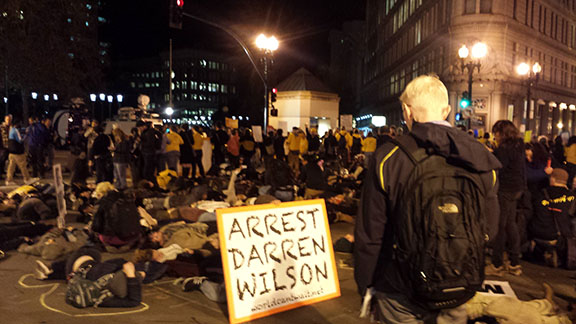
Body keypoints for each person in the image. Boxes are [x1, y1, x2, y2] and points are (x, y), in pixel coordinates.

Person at [354, 75, 501, 323]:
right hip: (458, 281)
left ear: (406, 111)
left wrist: (366, 285)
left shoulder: (389, 158)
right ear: (446, 111)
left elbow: (370, 235)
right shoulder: (482, 159)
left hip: (399, 286)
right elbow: (490, 229)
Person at [490, 120, 527, 276]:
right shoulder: (519, 145)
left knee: (500, 225)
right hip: (517, 188)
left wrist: (491, 155)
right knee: (511, 224)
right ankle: (514, 263)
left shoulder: (503, 149)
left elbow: (499, 167)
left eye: (496, 133)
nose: (494, 136)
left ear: (501, 133)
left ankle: (497, 264)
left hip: (505, 188)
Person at [529, 168, 575, 267]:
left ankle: (537, 250)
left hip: (537, 232)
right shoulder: (572, 197)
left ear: (553, 179)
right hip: (559, 235)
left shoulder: (540, 193)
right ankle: (555, 253)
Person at [6, 120, 31, 185]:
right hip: (17, 152)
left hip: (11, 151)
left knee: (11, 166)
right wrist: (26, 136)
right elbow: (20, 140)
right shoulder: (15, 131)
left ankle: (9, 180)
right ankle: (27, 179)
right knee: (23, 165)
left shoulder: (11, 130)